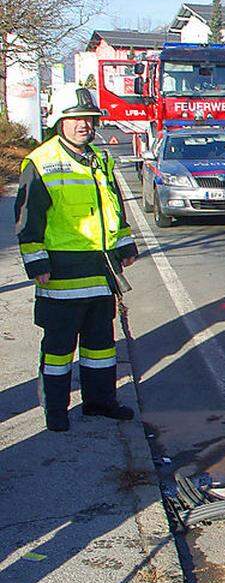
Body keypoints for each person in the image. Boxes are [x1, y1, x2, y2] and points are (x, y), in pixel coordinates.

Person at [14, 84, 138, 432]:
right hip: (61, 273)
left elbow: (114, 207)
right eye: (76, 119)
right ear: (60, 122)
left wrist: (125, 245)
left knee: (100, 347)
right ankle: (56, 410)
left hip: (100, 270)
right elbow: (27, 218)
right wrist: (36, 263)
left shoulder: (101, 158)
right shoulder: (41, 161)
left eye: (89, 118)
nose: (85, 124)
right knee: (58, 350)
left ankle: (100, 402)